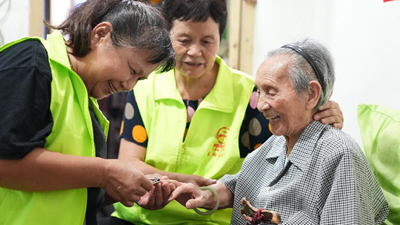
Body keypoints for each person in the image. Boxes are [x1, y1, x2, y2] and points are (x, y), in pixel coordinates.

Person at [110, 1, 345, 225]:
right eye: (184, 40)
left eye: (207, 41)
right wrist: (184, 182)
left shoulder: (251, 94)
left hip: (213, 216)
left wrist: (318, 116)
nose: (195, 51)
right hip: (140, 218)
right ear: (167, 37)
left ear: (220, 38)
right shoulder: (144, 86)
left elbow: (280, 163)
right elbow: (129, 163)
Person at [167, 39, 389, 225]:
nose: (261, 105)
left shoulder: (339, 155)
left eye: (271, 92)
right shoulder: (276, 143)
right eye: (259, 92)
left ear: (311, 94)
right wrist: (207, 196)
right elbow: (240, 185)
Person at [0, 0, 174, 224]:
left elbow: (72, 189)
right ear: (100, 34)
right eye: (131, 70)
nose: (129, 85)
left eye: (139, 79)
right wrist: (104, 172)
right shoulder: (34, 64)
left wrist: (128, 188)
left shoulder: (86, 103)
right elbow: (5, 164)